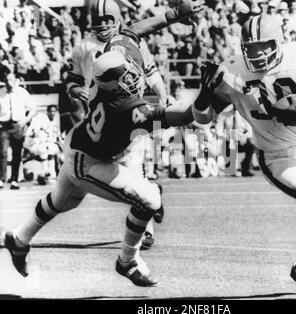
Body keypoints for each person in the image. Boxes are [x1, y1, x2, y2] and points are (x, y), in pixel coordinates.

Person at [3, 41, 194, 287]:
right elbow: (172, 116)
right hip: (87, 162)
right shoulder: (123, 105)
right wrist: (205, 103)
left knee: (62, 202)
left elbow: (108, 66)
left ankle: (18, 239)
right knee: (149, 199)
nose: (131, 76)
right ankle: (128, 260)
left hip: (79, 146)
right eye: (124, 75)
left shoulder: (98, 87)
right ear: (113, 83)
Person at [192, 15, 296, 296]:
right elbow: (203, 117)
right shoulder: (232, 73)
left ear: (280, 42)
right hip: (275, 156)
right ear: (243, 47)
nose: (258, 55)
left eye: (264, 47)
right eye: (251, 48)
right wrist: (204, 92)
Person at [64, 0, 204, 248]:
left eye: (107, 20)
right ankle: (152, 198)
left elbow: (150, 71)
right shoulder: (83, 48)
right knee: (123, 178)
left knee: (134, 168)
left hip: (128, 111)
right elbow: (71, 81)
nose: (103, 25)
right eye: (98, 21)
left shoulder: (126, 42)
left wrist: (162, 95)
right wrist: (77, 91)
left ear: (117, 20)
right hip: (100, 116)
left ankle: (147, 230)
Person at [0, 65, 36, 190]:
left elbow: (33, 108)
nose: (8, 83)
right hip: (4, 126)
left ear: (15, 81)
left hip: (18, 125)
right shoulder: (1, 92)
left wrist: (25, 120)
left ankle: (14, 180)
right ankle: (1, 179)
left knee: (17, 154)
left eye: (10, 80)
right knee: (2, 153)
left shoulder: (22, 92)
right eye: (6, 80)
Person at [23, 104, 63, 185]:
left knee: (53, 151)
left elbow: (57, 138)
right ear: (47, 112)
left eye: (54, 112)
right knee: (45, 150)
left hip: (47, 146)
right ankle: (45, 173)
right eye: (51, 111)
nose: (53, 113)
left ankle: (49, 175)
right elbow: (30, 135)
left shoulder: (55, 122)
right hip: (36, 146)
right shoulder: (40, 119)